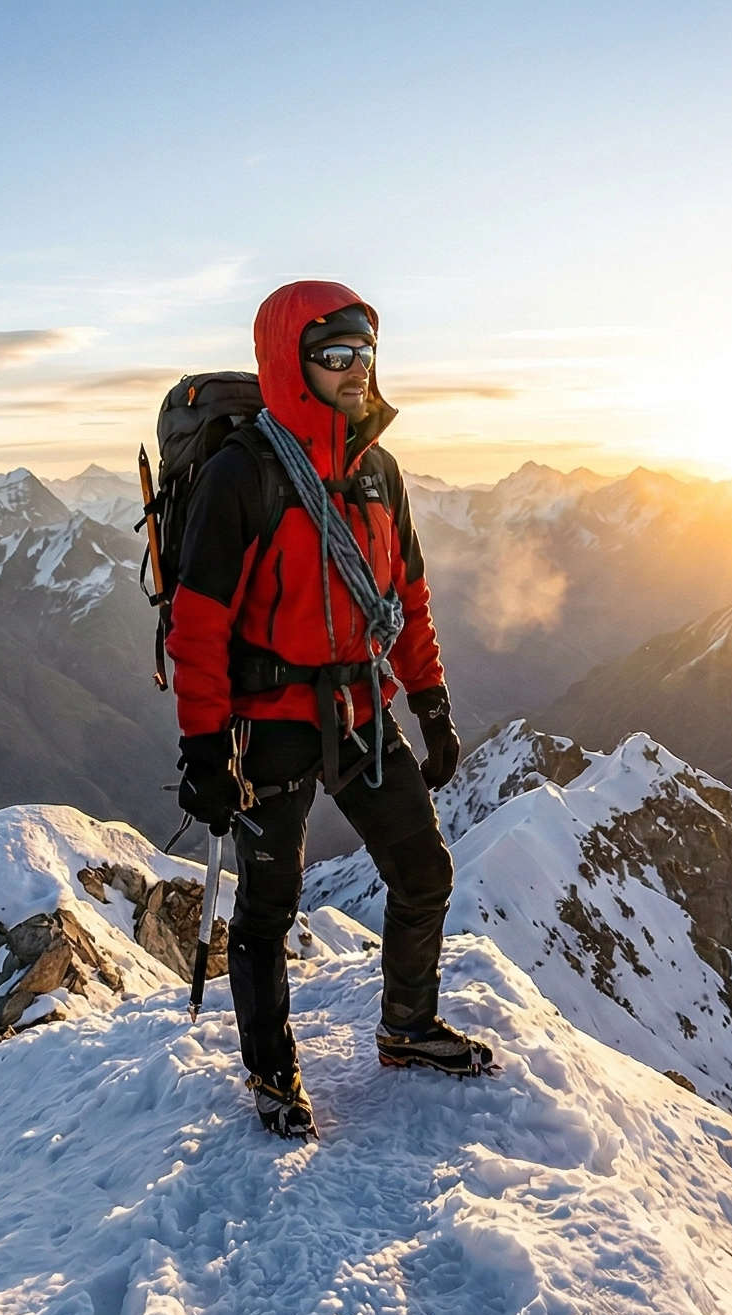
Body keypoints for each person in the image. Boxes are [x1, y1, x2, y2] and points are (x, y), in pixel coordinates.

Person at [165, 278, 494, 1140]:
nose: (358, 371)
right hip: (267, 723)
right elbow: (197, 628)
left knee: (423, 869)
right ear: (290, 363)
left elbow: (408, 596)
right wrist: (205, 750)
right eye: (335, 356)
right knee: (269, 906)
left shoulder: (378, 471)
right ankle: (273, 1075)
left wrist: (430, 701)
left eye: (366, 354)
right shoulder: (243, 474)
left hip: (358, 708)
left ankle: (406, 1027)